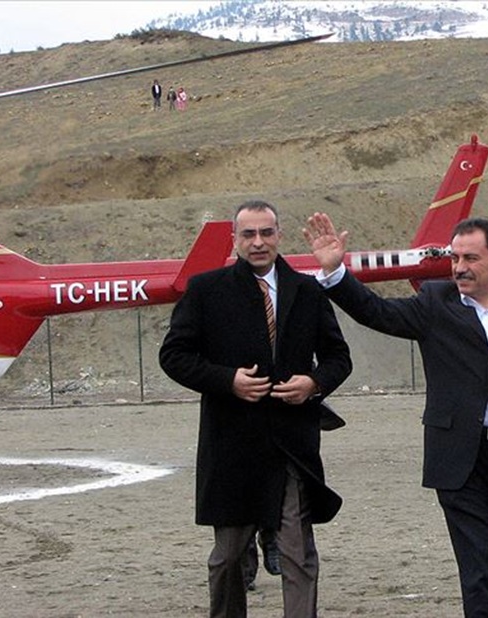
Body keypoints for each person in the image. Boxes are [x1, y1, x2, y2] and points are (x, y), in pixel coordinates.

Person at [303, 213, 488, 617]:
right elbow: (377, 312)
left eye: (470, 258)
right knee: (480, 567)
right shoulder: (435, 303)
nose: (459, 267)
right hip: (457, 459)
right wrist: (335, 272)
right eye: (455, 258)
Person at [160, 200, 352, 617]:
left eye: (266, 232)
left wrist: (313, 383)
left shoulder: (307, 291)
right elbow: (173, 355)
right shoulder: (206, 290)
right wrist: (227, 380)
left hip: (292, 445)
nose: (259, 242)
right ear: (234, 240)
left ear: (279, 235)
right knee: (228, 557)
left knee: (298, 555)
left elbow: (338, 358)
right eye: (249, 234)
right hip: (232, 444)